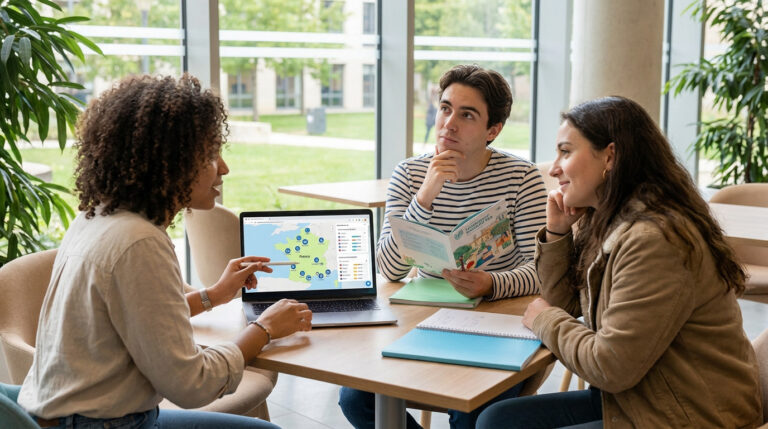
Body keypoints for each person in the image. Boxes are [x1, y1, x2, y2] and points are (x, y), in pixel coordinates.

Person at [19, 75, 313, 429]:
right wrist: (264, 329)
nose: (223, 168)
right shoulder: (139, 242)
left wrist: (213, 295)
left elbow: (136, 319)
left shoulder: (98, 214)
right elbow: (192, 385)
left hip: (66, 415)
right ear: (168, 162)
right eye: (209, 155)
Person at [476, 96, 763, 428]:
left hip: (691, 416)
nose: (554, 168)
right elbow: (562, 305)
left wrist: (544, 320)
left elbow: (609, 367)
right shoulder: (609, 220)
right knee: (497, 419)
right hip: (644, 397)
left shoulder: (654, 240)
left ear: (609, 157)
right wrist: (557, 234)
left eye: (566, 152)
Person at [339, 64, 548, 429]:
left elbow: (542, 271)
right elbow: (390, 268)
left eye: (467, 115)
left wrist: (492, 283)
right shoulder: (409, 174)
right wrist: (426, 195)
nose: (449, 123)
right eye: (445, 108)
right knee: (355, 398)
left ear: (492, 130)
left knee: (470, 414)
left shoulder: (522, 178)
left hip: (497, 322)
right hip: (425, 319)